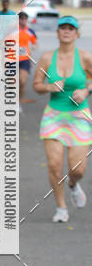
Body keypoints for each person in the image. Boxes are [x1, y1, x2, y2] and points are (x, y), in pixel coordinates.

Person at [33, 15, 92, 223]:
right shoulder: (47, 58)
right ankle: (61, 207)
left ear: (76, 34)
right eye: (63, 28)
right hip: (54, 116)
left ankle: (73, 185)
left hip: (79, 116)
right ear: (57, 32)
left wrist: (86, 90)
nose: (66, 31)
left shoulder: (85, 57)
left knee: (78, 169)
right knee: (54, 166)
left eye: (71, 28)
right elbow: (37, 85)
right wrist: (49, 87)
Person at [17, 11, 37, 107]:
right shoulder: (13, 30)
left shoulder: (30, 31)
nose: (23, 21)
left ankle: (18, 103)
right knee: (12, 83)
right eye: (21, 19)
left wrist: (34, 47)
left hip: (25, 59)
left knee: (22, 82)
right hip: (12, 59)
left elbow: (35, 42)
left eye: (25, 19)